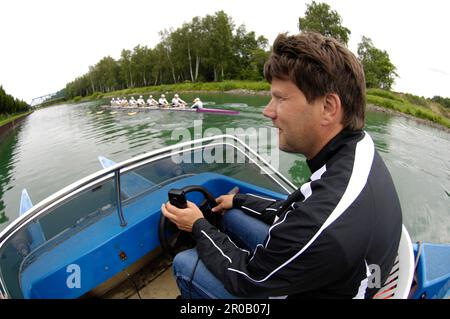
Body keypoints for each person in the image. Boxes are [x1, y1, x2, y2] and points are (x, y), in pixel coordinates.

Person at [161, 32, 403, 299]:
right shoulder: (357, 149)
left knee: (184, 264)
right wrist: (239, 201)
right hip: (343, 275)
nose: (268, 110)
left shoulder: (321, 219)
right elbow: (295, 211)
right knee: (230, 215)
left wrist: (198, 225)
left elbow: (250, 279)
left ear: (328, 107)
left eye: (280, 98)